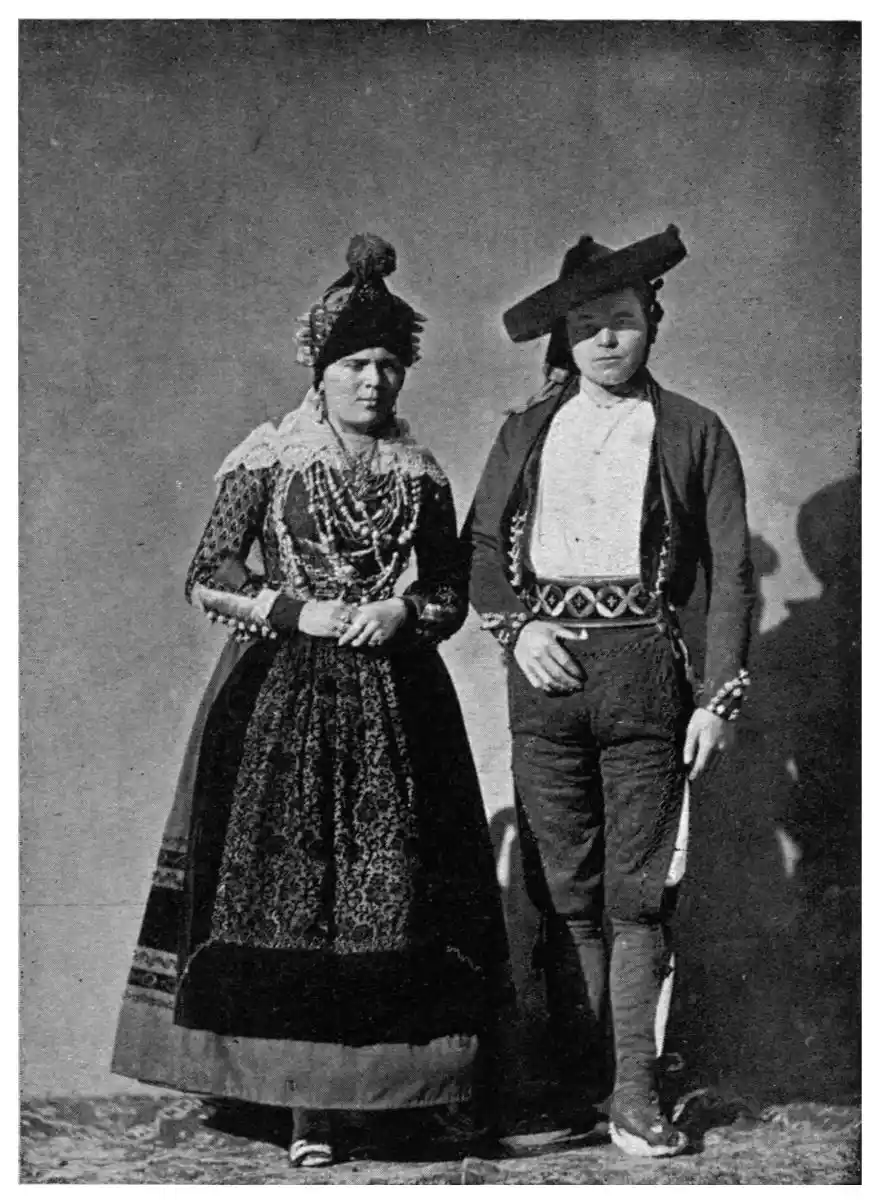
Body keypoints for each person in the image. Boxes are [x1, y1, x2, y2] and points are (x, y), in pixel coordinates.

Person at [112, 235, 511, 1168]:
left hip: (397, 697)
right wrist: (302, 611)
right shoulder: (269, 457)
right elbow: (209, 573)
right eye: (355, 364)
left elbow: (448, 592)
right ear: (320, 371)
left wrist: (400, 610)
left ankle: (407, 1092)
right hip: (279, 696)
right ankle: (302, 1105)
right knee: (285, 893)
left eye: (388, 365)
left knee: (402, 888)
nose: (373, 381)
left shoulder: (421, 472)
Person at [462, 225, 755, 1158]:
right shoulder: (526, 430)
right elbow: (480, 547)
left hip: (646, 683)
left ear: (651, 323)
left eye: (623, 320)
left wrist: (715, 699)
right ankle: (570, 1091)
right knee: (561, 891)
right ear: (564, 336)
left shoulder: (694, 429)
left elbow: (731, 572)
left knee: (637, 896)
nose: (606, 341)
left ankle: (633, 1095)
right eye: (587, 325)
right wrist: (519, 629)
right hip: (546, 684)